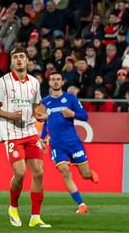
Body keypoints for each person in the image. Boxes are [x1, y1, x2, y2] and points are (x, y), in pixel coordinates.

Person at [0, 46, 49, 228]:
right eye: (15, 57)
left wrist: (42, 114)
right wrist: (9, 115)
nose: (19, 60)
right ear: (12, 61)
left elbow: (38, 106)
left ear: (27, 60)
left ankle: (35, 217)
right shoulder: (3, 82)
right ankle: (13, 207)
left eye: (22, 56)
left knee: (38, 172)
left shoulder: (34, 82)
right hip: (11, 133)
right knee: (21, 173)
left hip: (30, 132)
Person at [39, 72, 101, 213]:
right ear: (49, 82)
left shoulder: (70, 98)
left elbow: (85, 116)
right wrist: (42, 138)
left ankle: (89, 173)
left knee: (84, 174)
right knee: (65, 171)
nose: (55, 82)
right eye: (53, 80)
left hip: (73, 142)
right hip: (56, 144)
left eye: (58, 80)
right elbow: (45, 121)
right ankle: (81, 205)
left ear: (62, 82)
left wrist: (72, 114)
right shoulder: (45, 102)